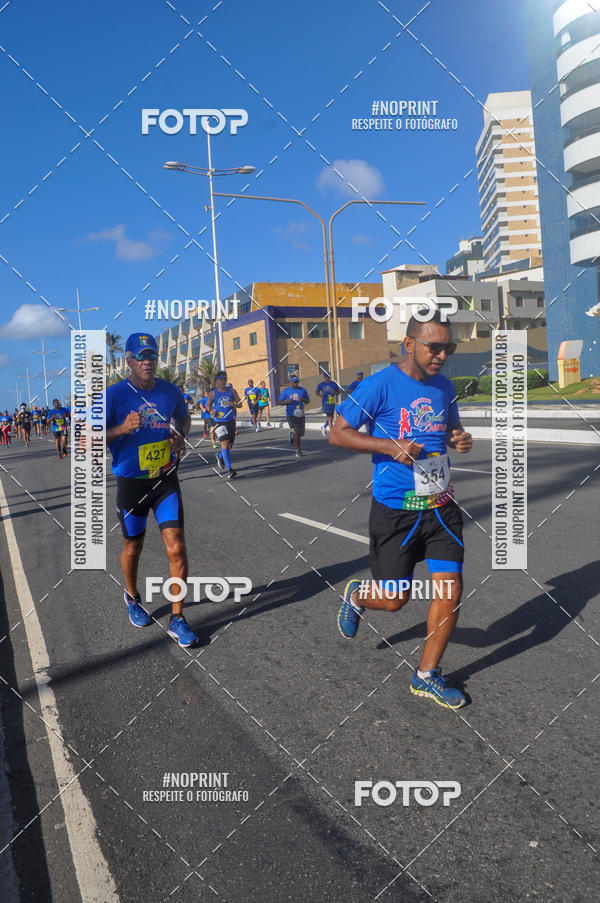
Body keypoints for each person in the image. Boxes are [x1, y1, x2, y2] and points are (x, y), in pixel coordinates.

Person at [330, 310, 473, 710]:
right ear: (409, 344)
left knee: (451, 589)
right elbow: (337, 433)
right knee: (395, 600)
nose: (442, 356)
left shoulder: (444, 387)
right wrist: (389, 447)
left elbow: (447, 431)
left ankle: (425, 675)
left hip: (441, 506)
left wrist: (459, 439)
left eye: (449, 348)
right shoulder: (379, 386)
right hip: (396, 510)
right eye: (434, 347)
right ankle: (359, 596)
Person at [106, 332, 198, 648]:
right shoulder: (114, 395)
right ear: (128, 360)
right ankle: (132, 596)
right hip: (132, 483)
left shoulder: (170, 392)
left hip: (165, 478)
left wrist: (179, 435)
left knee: (176, 547)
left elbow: (184, 421)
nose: (147, 362)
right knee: (134, 547)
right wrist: (121, 429)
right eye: (141, 356)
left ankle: (178, 618)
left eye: (152, 356)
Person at [207, 370, 241, 479]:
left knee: (229, 446)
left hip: (230, 421)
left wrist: (234, 404)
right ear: (216, 381)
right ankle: (230, 469)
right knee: (225, 444)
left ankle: (220, 456)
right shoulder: (213, 393)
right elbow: (208, 407)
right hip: (219, 421)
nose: (223, 381)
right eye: (221, 379)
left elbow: (240, 404)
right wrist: (211, 411)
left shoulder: (232, 391)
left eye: (225, 379)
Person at [279, 375, 310, 458]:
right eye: (294, 383)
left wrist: (302, 400)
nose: (296, 384)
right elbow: (280, 402)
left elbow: (308, 400)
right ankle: (298, 450)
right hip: (291, 413)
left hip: (300, 412)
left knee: (302, 433)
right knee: (297, 431)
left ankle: (292, 435)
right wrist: (287, 402)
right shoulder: (286, 391)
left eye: (297, 382)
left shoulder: (303, 390)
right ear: (290, 382)